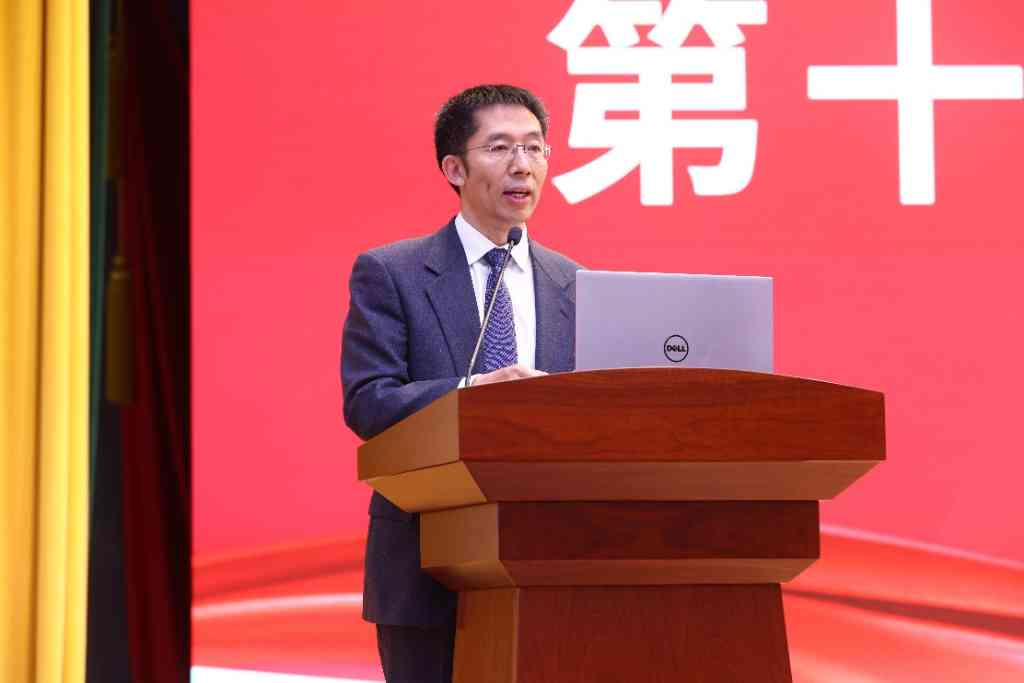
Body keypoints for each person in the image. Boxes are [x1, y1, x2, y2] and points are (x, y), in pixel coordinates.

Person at [341, 84, 582, 682]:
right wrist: (476, 390)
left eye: (535, 147)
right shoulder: (392, 272)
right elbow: (369, 402)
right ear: (454, 168)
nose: (522, 165)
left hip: (550, 563)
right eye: (499, 148)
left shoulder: (574, 282)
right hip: (426, 564)